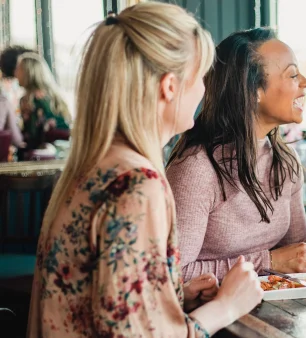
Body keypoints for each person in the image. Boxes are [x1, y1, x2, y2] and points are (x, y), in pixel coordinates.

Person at [28, 3, 262, 337]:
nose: (204, 91)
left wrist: (171, 295)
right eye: (201, 78)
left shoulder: (95, 163)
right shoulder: (138, 184)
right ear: (170, 86)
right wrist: (226, 306)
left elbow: (105, 302)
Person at [166, 27, 306, 281]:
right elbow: (173, 274)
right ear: (253, 91)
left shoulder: (284, 160)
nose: (305, 82)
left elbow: (299, 246)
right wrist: (268, 261)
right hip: (211, 316)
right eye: (292, 75)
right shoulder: (197, 168)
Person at [15, 52, 71, 150]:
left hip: (41, 154)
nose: (15, 73)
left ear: (28, 73)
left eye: (18, 69)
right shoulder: (54, 96)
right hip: (62, 150)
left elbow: (33, 137)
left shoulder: (30, 100)